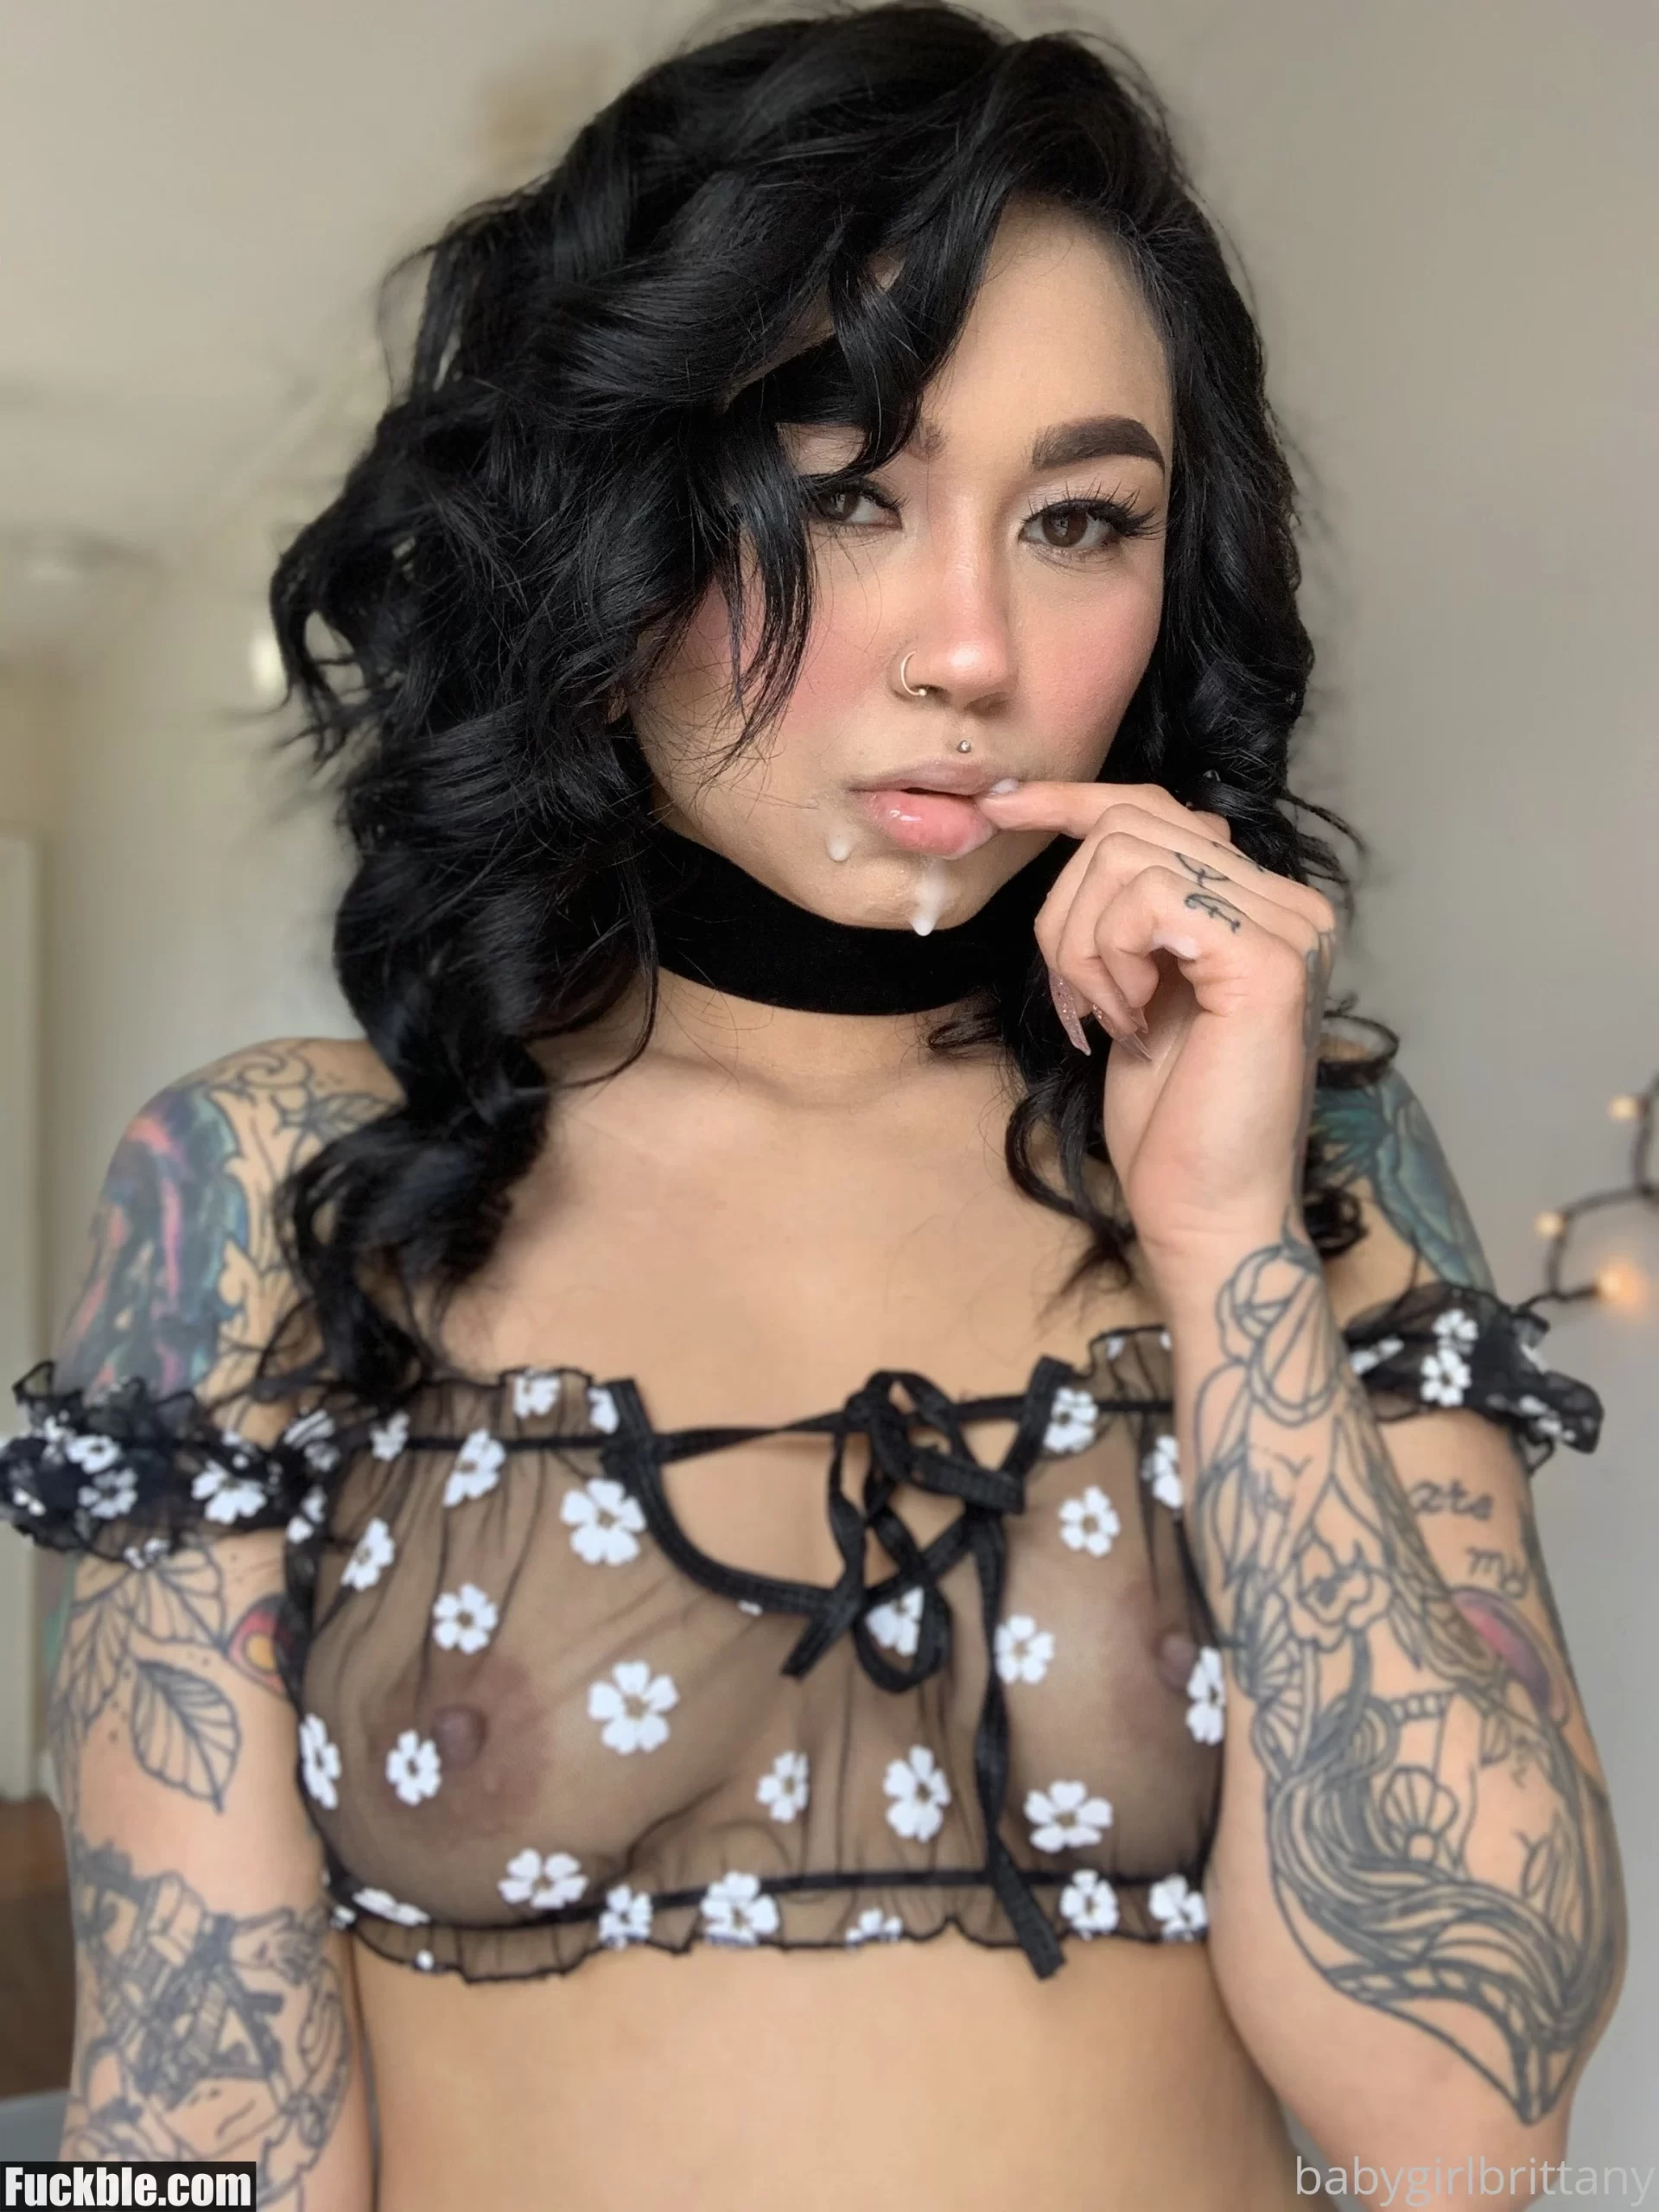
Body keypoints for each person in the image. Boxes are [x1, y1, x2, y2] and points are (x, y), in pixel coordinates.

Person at [3, 8, 1624, 2207]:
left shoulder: (1312, 1165)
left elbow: (1465, 2120)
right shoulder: (267, 1192)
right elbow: (184, 2137)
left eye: (1079, 519)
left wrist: (1226, 1243)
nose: (972, 646)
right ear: (608, 517)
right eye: (845, 492)